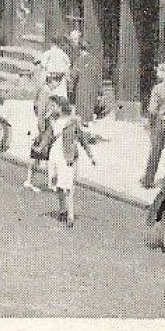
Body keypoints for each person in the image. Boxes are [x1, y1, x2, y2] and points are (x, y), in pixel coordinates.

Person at [49, 96, 97, 227]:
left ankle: (70, 215)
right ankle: (62, 209)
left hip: (68, 156)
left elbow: (82, 139)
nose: (52, 108)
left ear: (61, 107)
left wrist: (91, 156)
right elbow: (49, 137)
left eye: (54, 106)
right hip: (55, 155)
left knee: (69, 186)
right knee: (58, 184)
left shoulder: (73, 122)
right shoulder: (53, 121)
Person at [70, 39, 99, 122]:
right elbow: (98, 75)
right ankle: (88, 120)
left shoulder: (79, 60)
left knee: (81, 104)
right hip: (92, 86)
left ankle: (82, 121)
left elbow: (74, 75)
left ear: (80, 50)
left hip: (81, 85)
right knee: (90, 103)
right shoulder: (95, 60)